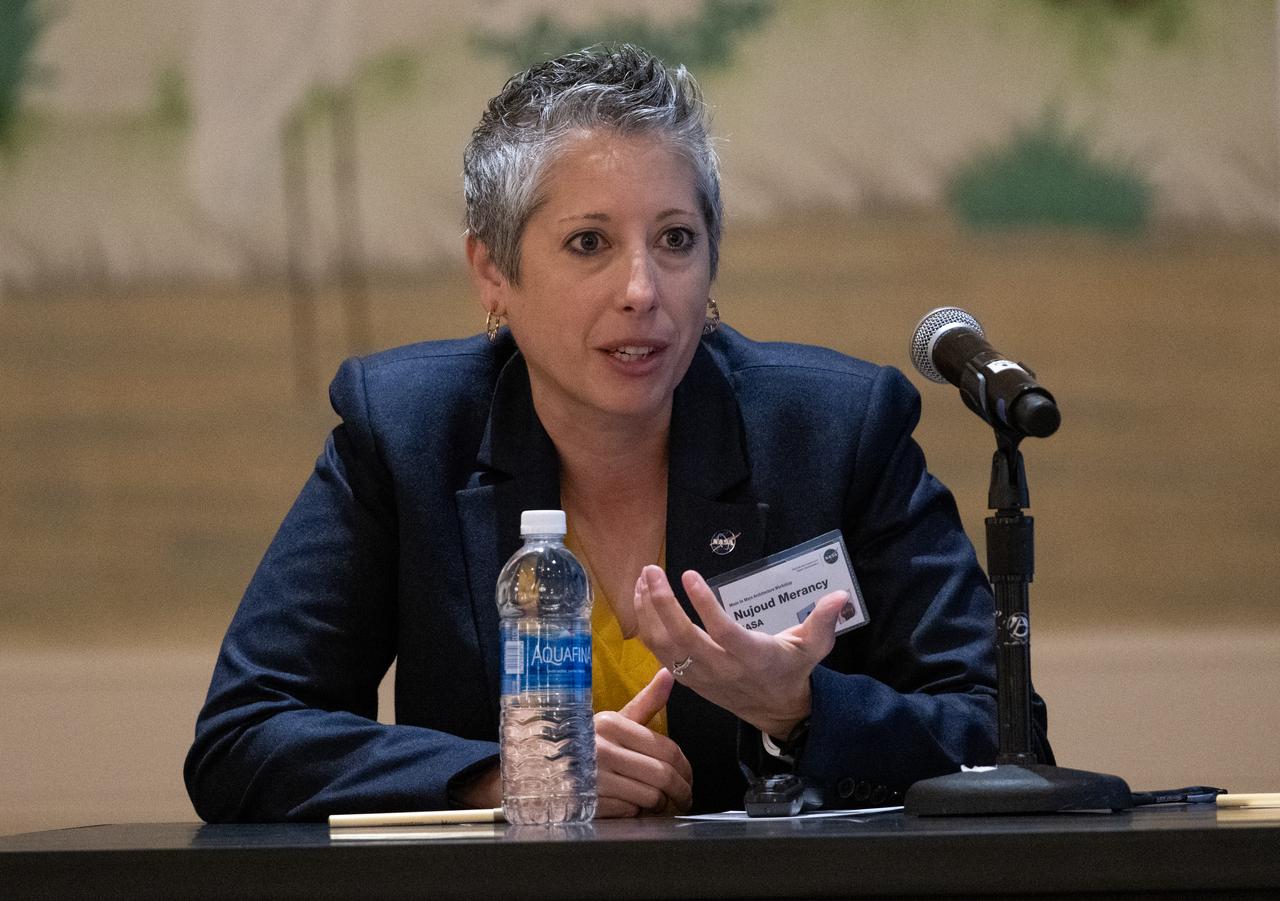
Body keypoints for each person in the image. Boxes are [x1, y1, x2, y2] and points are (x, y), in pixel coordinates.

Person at [185, 44, 1051, 822]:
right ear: (493, 271)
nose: (643, 288)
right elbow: (245, 735)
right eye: (589, 242)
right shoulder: (408, 432)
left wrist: (800, 708)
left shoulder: (832, 431)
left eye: (675, 239)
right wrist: (506, 772)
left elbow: (1004, 732)